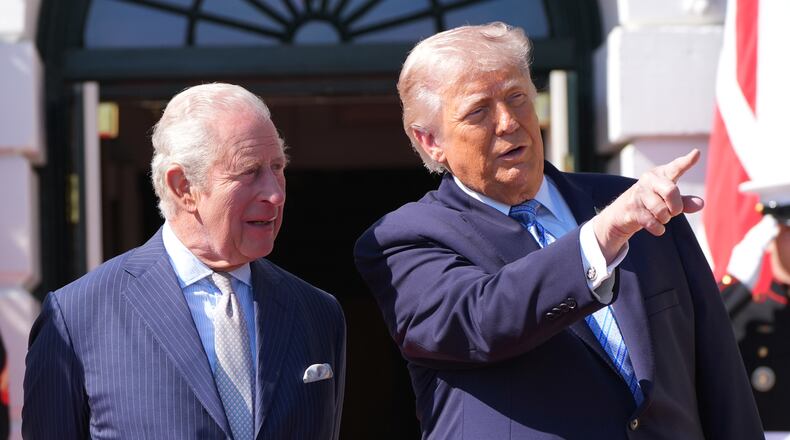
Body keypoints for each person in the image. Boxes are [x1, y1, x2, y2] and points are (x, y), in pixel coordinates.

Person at [354, 22, 762, 439]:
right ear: (429, 141)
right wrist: (600, 240)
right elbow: (479, 320)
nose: (509, 122)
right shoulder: (402, 239)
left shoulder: (635, 204)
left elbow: (718, 368)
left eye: (518, 98)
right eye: (479, 111)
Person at [23, 83, 345, 439]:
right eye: (249, 171)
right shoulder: (77, 317)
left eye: (277, 167)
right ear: (182, 186)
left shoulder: (318, 312)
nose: (274, 193)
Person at [720, 181, 790, 430]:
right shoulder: (742, 314)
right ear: (769, 238)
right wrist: (736, 285)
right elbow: (693, 340)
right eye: (788, 232)